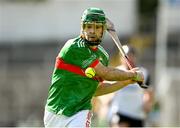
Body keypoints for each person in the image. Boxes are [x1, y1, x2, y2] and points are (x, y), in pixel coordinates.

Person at [43, 7, 144, 127]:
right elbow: (106, 73)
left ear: (103, 30)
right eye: (89, 26)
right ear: (83, 28)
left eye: (97, 27)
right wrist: (132, 74)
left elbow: (96, 90)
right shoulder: (74, 47)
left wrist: (125, 82)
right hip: (55, 111)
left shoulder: (103, 56)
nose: (92, 31)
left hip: (80, 112)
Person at [107, 45, 154, 127]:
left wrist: (147, 102)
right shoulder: (116, 71)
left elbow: (149, 92)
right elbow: (107, 89)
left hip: (137, 114)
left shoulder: (143, 73)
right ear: (121, 58)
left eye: (131, 55)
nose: (129, 58)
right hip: (120, 111)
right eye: (126, 56)